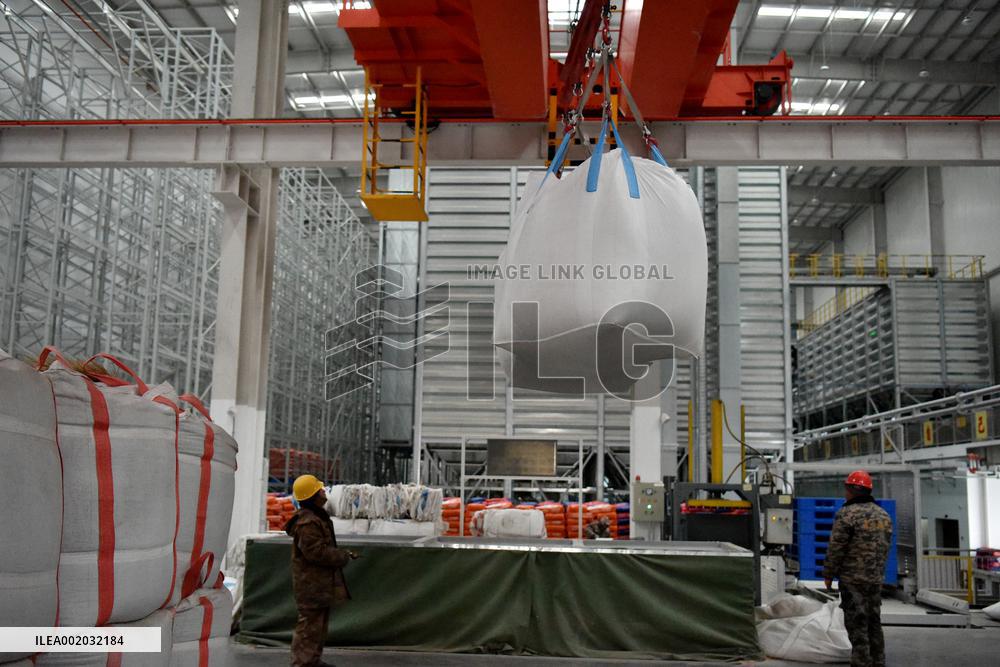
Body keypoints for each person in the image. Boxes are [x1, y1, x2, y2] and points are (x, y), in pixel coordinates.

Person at [823, 470, 893, 667]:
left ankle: (861, 662)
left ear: (853, 490)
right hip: (875, 579)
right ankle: (878, 661)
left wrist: (828, 573)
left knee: (857, 622)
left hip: (853, 580)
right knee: (873, 621)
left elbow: (836, 547)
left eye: (847, 489)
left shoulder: (847, 514)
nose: (845, 493)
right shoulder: (883, 515)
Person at [285, 475, 356, 667]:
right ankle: (302, 663)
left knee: (318, 627)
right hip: (311, 585)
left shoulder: (316, 517)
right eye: (321, 490)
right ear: (313, 496)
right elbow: (316, 552)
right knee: (309, 628)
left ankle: (312, 660)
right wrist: (341, 556)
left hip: (318, 584)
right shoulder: (308, 523)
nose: (325, 493)